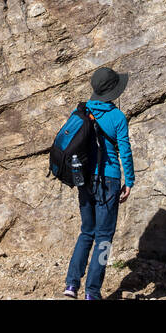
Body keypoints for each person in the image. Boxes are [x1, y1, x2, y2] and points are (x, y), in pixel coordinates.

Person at [64, 66, 135, 300]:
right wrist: (130, 181)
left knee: (86, 232)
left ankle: (72, 285)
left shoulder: (82, 111)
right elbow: (124, 151)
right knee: (104, 239)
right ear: (113, 91)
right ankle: (92, 292)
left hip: (84, 180)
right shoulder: (117, 117)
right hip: (109, 181)